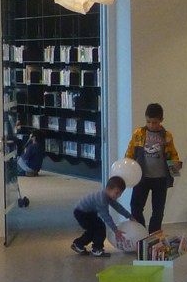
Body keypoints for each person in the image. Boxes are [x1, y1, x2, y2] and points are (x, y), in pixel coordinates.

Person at [125, 103, 181, 234]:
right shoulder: (139, 133)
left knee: (158, 210)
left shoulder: (167, 136)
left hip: (160, 179)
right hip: (141, 178)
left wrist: (175, 168)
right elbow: (130, 152)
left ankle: (153, 235)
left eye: (154, 122)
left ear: (161, 120)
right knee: (136, 206)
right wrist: (127, 166)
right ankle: (141, 232)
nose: (151, 125)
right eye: (148, 121)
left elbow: (172, 154)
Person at [71, 176, 131, 257]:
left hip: (88, 213)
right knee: (98, 229)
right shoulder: (101, 199)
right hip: (81, 213)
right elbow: (106, 216)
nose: (119, 195)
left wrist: (129, 216)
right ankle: (96, 248)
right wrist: (115, 230)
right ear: (108, 189)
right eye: (117, 193)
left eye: (121, 193)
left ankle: (78, 244)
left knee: (96, 229)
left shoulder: (108, 196)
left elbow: (117, 207)